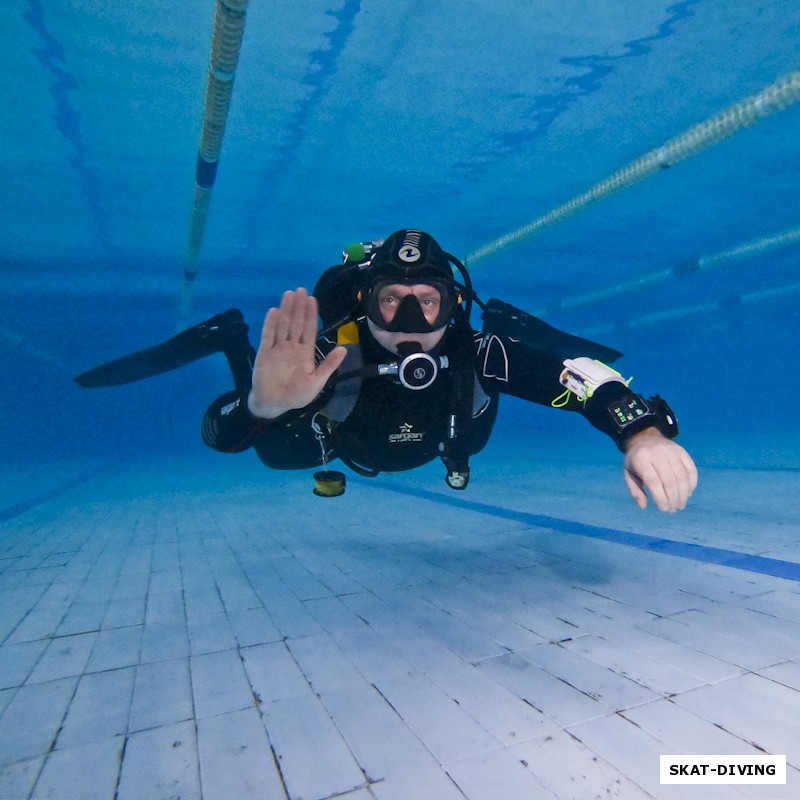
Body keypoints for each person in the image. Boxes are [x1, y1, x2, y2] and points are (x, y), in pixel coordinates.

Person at [76, 229, 697, 511]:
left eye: (427, 300)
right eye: (388, 301)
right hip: (345, 445)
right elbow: (221, 435)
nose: (407, 319)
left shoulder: (477, 353)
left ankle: (506, 317)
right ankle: (231, 341)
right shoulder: (332, 358)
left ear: (454, 305)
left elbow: (581, 377)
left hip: (446, 437)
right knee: (269, 447)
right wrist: (261, 406)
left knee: (508, 368)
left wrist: (638, 432)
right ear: (365, 303)